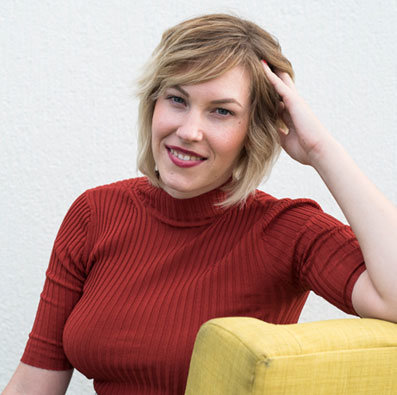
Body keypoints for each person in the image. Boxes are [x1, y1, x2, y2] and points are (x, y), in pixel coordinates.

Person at [4, 13, 397, 395]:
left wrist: (319, 148)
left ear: (253, 130)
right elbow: (34, 382)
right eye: (177, 99)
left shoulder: (288, 231)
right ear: (154, 103)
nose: (189, 131)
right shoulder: (95, 213)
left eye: (221, 111)